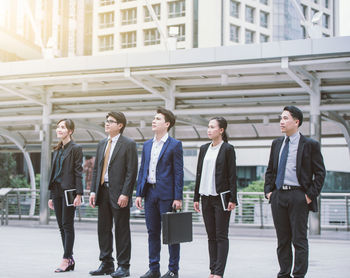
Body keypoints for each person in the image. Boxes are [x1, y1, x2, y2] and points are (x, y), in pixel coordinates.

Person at [264, 106, 326, 278]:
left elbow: (320, 173)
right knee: (282, 240)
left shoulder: (310, 145)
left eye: (285, 118)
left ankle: (299, 275)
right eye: (280, 118)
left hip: (299, 196)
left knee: (299, 240)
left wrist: (309, 195)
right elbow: (270, 170)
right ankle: (283, 274)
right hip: (278, 196)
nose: (281, 122)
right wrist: (269, 192)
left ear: (296, 121)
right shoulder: (277, 144)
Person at [135, 108, 184, 278]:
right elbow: (143, 170)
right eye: (154, 118)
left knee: (171, 234)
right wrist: (139, 193)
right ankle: (154, 268)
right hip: (150, 194)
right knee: (152, 232)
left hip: (167, 196)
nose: (153, 121)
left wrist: (178, 197)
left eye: (158, 118)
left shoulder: (175, 145)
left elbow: (178, 173)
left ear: (167, 124)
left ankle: (173, 270)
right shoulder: (147, 145)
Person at [89, 112, 138, 278]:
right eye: (106, 121)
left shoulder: (128, 144)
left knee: (122, 230)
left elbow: (132, 171)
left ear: (120, 125)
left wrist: (126, 193)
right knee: (103, 228)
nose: (107, 124)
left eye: (111, 121)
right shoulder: (102, 143)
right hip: (102, 191)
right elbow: (96, 170)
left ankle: (123, 266)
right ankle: (106, 263)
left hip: (119, 194)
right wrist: (93, 191)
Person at [193, 117, 237, 278]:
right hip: (205, 197)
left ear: (221, 130)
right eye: (208, 127)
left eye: (212, 127)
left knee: (221, 235)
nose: (209, 130)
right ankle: (212, 270)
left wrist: (233, 198)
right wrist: (196, 197)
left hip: (221, 198)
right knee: (211, 236)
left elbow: (232, 175)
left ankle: (219, 272)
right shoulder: (204, 148)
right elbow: (199, 173)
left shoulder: (227, 149)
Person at [48, 118, 83, 273]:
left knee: (67, 225)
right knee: (61, 226)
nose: (59, 130)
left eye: (63, 127)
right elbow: (53, 173)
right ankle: (70, 259)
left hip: (69, 191)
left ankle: (65, 259)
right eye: (58, 127)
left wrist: (79, 194)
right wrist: (50, 195)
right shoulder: (56, 150)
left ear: (70, 131)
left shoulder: (75, 148)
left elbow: (78, 172)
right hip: (56, 190)